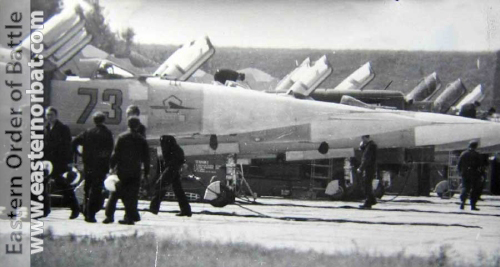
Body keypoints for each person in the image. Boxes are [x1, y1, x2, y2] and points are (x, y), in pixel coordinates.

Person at [103, 117, 150, 225]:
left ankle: (109, 216)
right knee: (132, 196)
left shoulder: (122, 137)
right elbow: (146, 158)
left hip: (122, 171)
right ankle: (129, 218)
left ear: (127, 125)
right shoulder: (142, 139)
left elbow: (116, 154)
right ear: (138, 126)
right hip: (135, 171)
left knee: (114, 194)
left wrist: (111, 167)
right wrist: (146, 173)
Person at [72, 112, 114, 223]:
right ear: (104, 120)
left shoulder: (88, 132)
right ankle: (90, 213)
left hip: (88, 164)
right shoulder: (107, 133)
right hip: (100, 165)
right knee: (96, 189)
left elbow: (75, 142)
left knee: (87, 188)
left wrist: (80, 153)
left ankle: (86, 211)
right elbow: (110, 150)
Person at [43, 106, 80, 219]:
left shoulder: (63, 128)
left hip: (59, 162)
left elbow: (67, 147)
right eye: (47, 115)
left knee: (62, 185)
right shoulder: (45, 128)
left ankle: (75, 208)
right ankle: (45, 209)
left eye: (51, 115)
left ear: (56, 116)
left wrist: (68, 162)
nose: (49, 117)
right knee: (42, 185)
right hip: (47, 162)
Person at [149, 135, 192, 217]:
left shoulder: (170, 148)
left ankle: (153, 208)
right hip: (174, 170)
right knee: (178, 191)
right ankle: (186, 210)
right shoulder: (176, 148)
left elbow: (170, 162)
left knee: (160, 186)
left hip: (171, 169)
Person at [125, 104, 146, 221]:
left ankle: (130, 215)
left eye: (129, 114)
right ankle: (132, 214)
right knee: (130, 191)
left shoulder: (140, 129)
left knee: (130, 191)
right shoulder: (133, 128)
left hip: (133, 164)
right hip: (131, 164)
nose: (127, 116)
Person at [457, 140, 483, 211]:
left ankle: (462, 203)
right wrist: (481, 174)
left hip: (465, 173)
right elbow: (480, 165)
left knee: (465, 188)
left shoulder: (464, 154)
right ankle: (473, 205)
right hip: (474, 173)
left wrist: (460, 172)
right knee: (474, 189)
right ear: (476, 146)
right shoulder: (477, 154)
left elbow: (459, 164)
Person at [357, 135, 378, 209]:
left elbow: (366, 158)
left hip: (369, 168)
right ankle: (371, 200)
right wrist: (362, 147)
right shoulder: (370, 145)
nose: (362, 140)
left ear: (366, 138)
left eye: (363, 138)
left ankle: (368, 201)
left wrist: (361, 168)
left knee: (366, 185)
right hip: (370, 168)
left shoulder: (370, 146)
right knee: (367, 184)